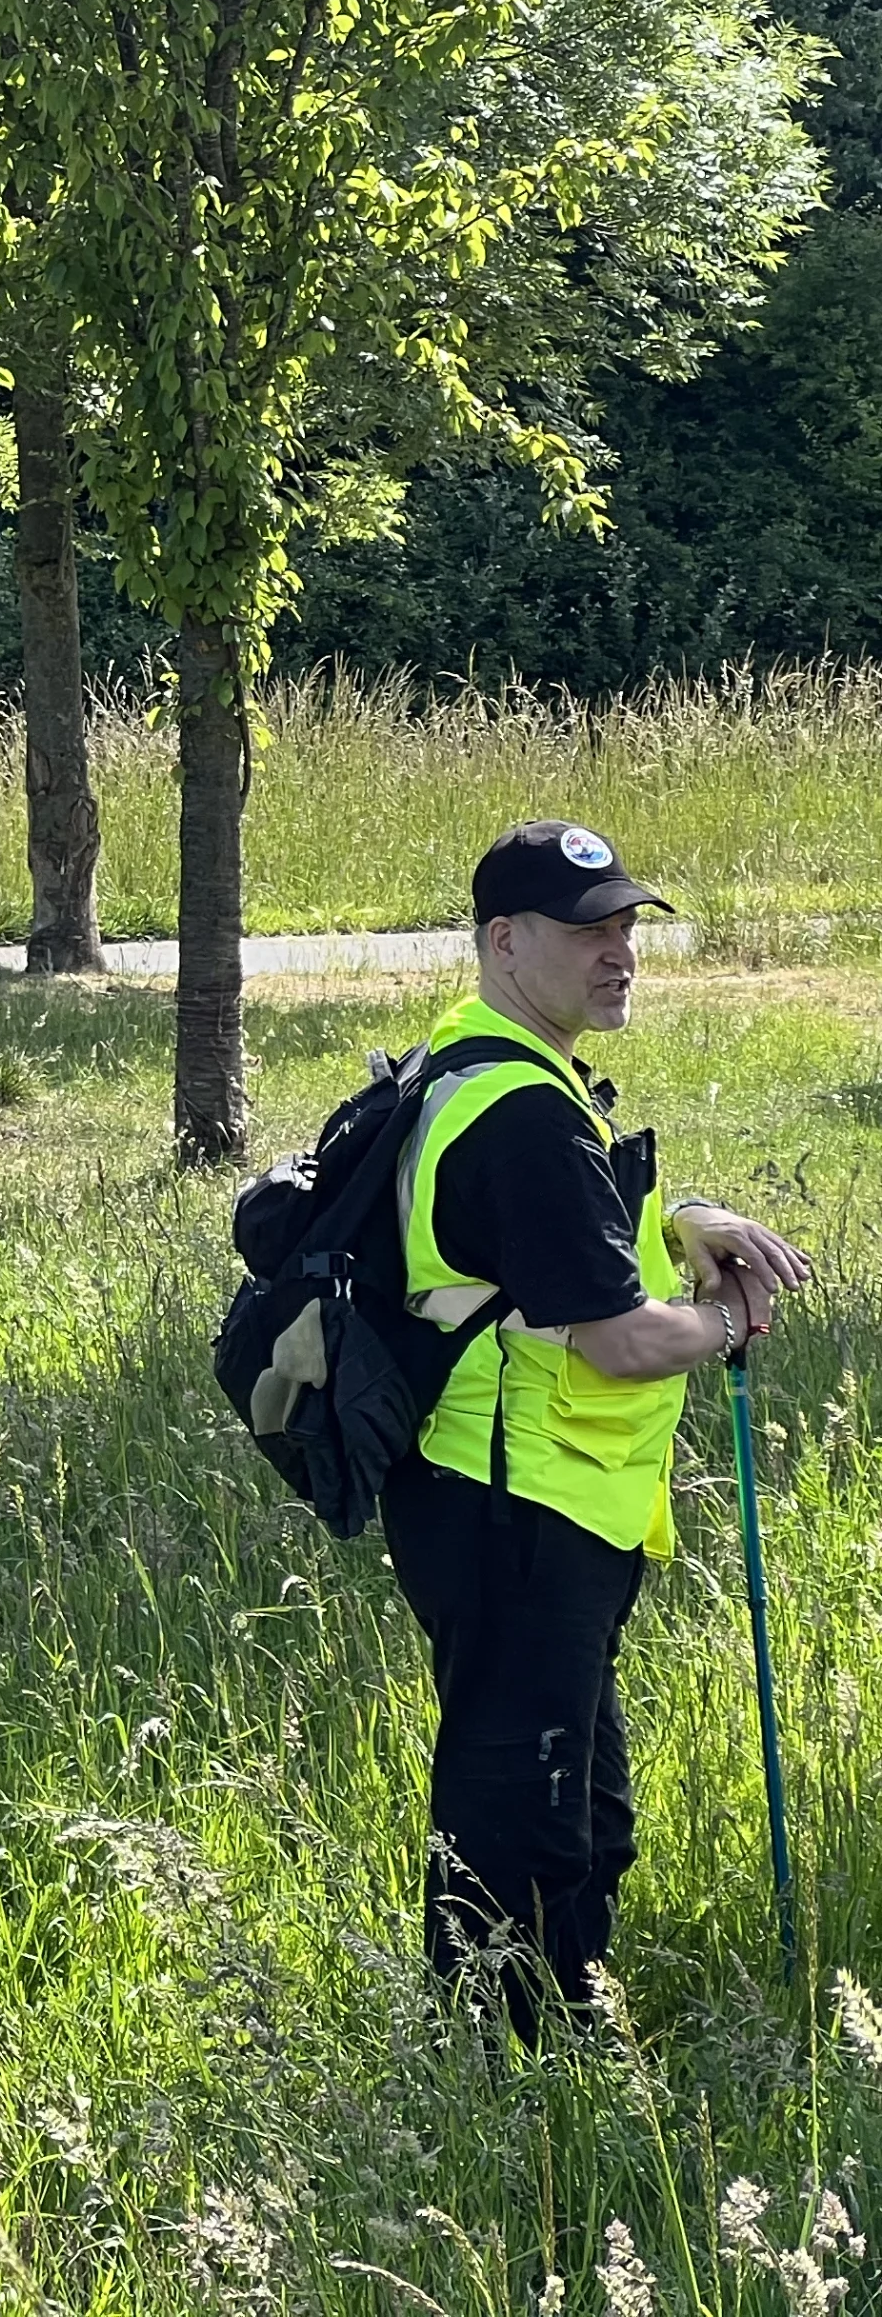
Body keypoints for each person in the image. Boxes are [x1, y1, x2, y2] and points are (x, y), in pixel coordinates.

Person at [382, 821, 811, 2040]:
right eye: (588, 931)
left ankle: (573, 2042)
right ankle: (494, 2070)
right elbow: (618, 1339)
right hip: (514, 1506)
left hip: (530, 1501)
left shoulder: (491, 1063)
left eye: (625, 925)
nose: (619, 951)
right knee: (521, 1818)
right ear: (505, 942)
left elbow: (558, 1243)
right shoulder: (521, 1115)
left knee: (579, 1810)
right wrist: (728, 1321)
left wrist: (684, 1216)